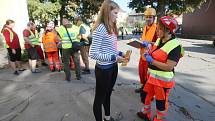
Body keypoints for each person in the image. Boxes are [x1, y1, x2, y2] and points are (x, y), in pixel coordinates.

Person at [137, 16, 184, 121]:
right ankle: (146, 113)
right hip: (152, 77)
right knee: (145, 95)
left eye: (159, 29)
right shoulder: (160, 39)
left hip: (163, 81)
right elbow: (157, 46)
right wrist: (149, 44)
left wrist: (152, 61)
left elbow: (169, 67)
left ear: (168, 30)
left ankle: (158, 119)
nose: (156, 31)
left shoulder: (175, 46)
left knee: (160, 103)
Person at [89, 0, 127, 121]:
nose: (117, 15)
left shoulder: (112, 27)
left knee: (108, 94)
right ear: (107, 12)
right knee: (99, 98)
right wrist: (114, 58)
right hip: (103, 70)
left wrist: (121, 54)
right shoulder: (100, 28)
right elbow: (93, 53)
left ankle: (107, 117)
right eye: (115, 13)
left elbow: (109, 49)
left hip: (113, 67)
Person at [135, 8, 158, 93]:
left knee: (149, 75)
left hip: (150, 57)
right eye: (147, 17)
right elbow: (143, 39)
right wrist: (139, 43)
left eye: (150, 17)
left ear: (154, 18)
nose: (148, 19)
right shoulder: (145, 27)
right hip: (142, 55)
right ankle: (143, 87)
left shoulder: (157, 29)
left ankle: (149, 92)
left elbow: (159, 43)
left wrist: (149, 43)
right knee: (142, 73)